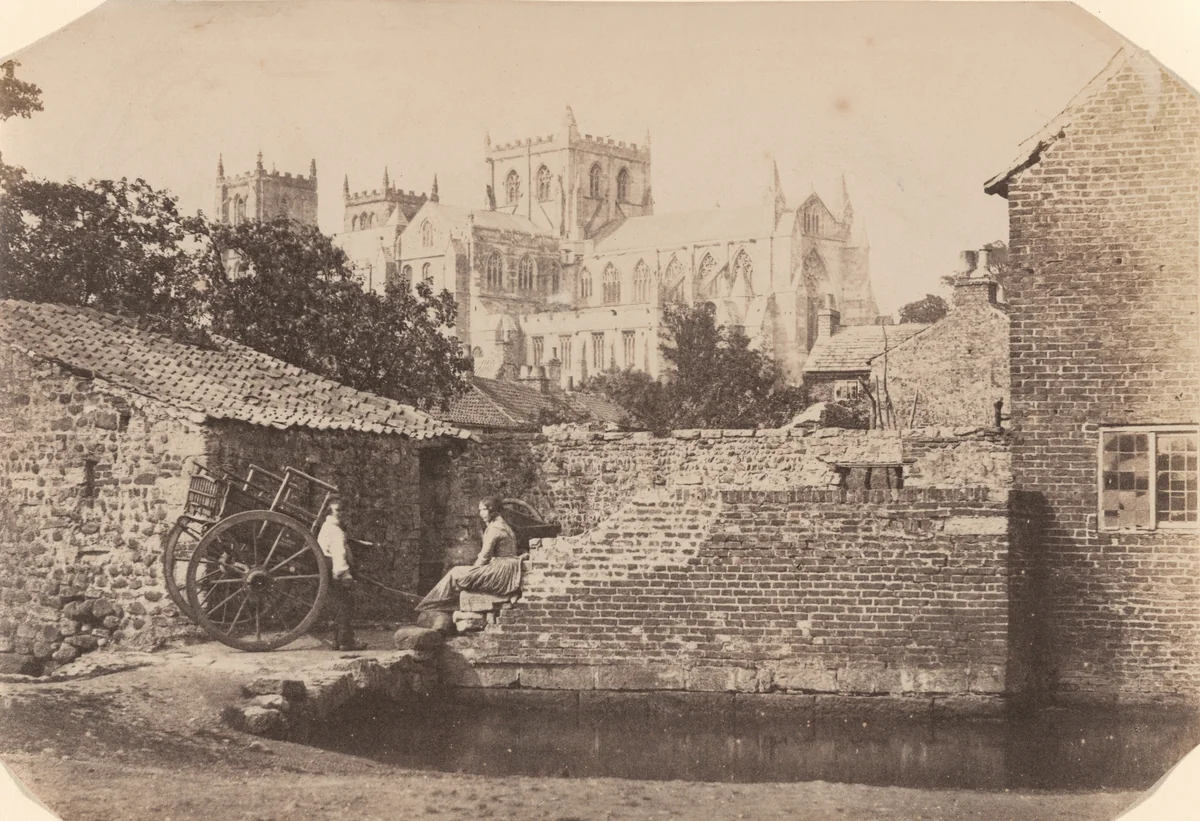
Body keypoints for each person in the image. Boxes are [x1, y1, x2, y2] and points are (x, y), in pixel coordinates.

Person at [416, 496, 523, 612]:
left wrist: (472, 573)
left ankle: (429, 606)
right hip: (507, 568)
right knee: (460, 574)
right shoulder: (503, 525)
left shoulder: (495, 529)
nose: (481, 513)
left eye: (483, 510)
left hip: (501, 571)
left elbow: (484, 558)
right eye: (480, 510)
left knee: (456, 573)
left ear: (492, 510)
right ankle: (436, 604)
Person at [316, 497, 367, 651]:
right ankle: (346, 642)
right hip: (335, 568)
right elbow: (339, 553)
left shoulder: (327, 526)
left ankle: (338, 640)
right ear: (330, 511)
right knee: (345, 604)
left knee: (337, 605)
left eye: (342, 510)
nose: (341, 514)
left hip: (327, 567)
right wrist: (344, 574)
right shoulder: (335, 530)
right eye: (337, 510)